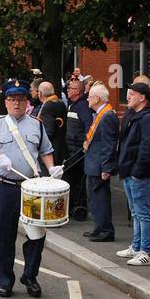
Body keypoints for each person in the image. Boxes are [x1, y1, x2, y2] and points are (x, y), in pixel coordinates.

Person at [0, 79, 61, 297]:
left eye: (20, 99)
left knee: (37, 234)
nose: (16, 104)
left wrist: (51, 168)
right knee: (3, 235)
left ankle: (30, 275)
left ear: (27, 102)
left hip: (30, 188)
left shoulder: (37, 125)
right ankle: (4, 280)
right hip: (4, 187)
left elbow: (45, 150)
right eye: (12, 99)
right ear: (5, 102)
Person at [115, 82, 150, 265]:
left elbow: (147, 147)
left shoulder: (149, 118)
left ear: (142, 97)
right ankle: (136, 247)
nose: (128, 96)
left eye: (132, 93)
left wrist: (137, 171)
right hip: (129, 170)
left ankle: (146, 252)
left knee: (143, 213)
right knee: (135, 212)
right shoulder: (134, 115)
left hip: (140, 173)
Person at [82, 82, 119, 243]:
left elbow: (108, 144)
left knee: (100, 198)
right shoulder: (101, 114)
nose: (88, 99)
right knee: (94, 198)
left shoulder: (107, 115)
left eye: (90, 96)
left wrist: (106, 167)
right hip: (93, 163)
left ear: (97, 98)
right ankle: (99, 227)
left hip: (99, 165)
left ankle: (105, 230)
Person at [64, 78, 91, 219]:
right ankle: (73, 204)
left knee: (76, 180)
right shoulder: (72, 105)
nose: (67, 90)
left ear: (77, 91)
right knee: (71, 179)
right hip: (71, 150)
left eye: (70, 88)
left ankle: (79, 205)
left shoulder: (82, 107)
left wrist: (85, 143)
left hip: (78, 152)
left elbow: (88, 126)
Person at [37, 81, 69, 165]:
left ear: (40, 93)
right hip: (60, 149)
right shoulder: (60, 102)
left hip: (50, 153)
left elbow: (48, 132)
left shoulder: (48, 106)